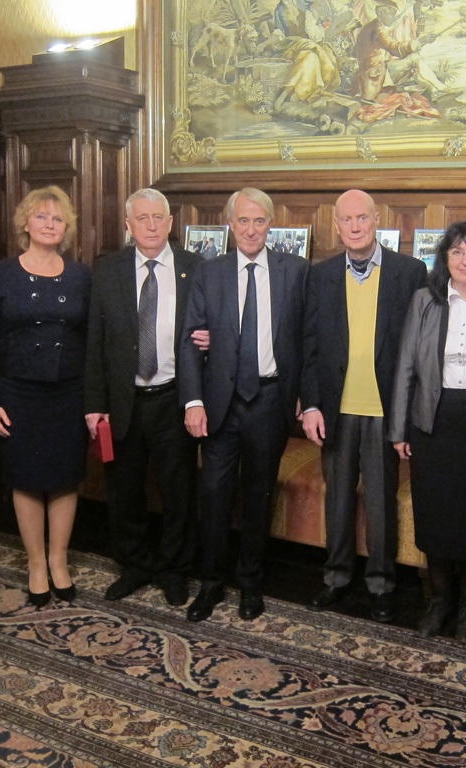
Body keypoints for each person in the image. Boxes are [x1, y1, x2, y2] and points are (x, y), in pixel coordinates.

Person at [180, 188, 310, 622]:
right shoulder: (209, 272)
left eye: (259, 221)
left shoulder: (296, 271)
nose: (251, 230)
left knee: (259, 495)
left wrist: (307, 398)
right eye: (243, 221)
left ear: (270, 225)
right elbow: (190, 338)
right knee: (214, 495)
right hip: (220, 402)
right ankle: (211, 583)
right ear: (230, 224)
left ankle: (251, 583)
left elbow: (308, 338)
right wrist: (193, 401)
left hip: (270, 401)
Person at [301, 189, 427, 623]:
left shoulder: (409, 272)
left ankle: (381, 584)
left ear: (376, 220)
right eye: (346, 220)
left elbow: (418, 350)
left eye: (362, 218)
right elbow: (308, 345)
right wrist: (310, 405)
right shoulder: (320, 275)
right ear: (336, 227)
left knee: (380, 502)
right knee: (337, 499)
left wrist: (408, 416)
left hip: (385, 410)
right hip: (335, 408)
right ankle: (336, 577)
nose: (355, 226)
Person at [388, 221, 466, 642]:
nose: (465, 260)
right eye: (457, 251)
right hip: (433, 424)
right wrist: (399, 428)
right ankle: (439, 600)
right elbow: (406, 366)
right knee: (435, 518)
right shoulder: (425, 300)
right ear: (445, 257)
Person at [84, 188, 206, 606]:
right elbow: (96, 340)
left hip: (174, 398)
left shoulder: (195, 267)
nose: (151, 226)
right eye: (142, 218)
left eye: (158, 218)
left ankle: (174, 568)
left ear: (170, 224)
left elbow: (212, 323)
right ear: (128, 225)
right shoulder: (108, 270)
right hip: (125, 401)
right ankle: (134, 564)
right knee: (124, 490)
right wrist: (94, 404)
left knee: (179, 490)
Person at [0, 186, 90, 608]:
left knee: (65, 477)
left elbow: (92, 339)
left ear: (66, 227)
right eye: (41, 216)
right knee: (25, 477)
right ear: (25, 222)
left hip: (69, 391)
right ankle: (36, 563)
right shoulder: (1, 274)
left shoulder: (80, 276)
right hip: (17, 393)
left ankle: (59, 560)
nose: (49, 224)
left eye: (57, 219)